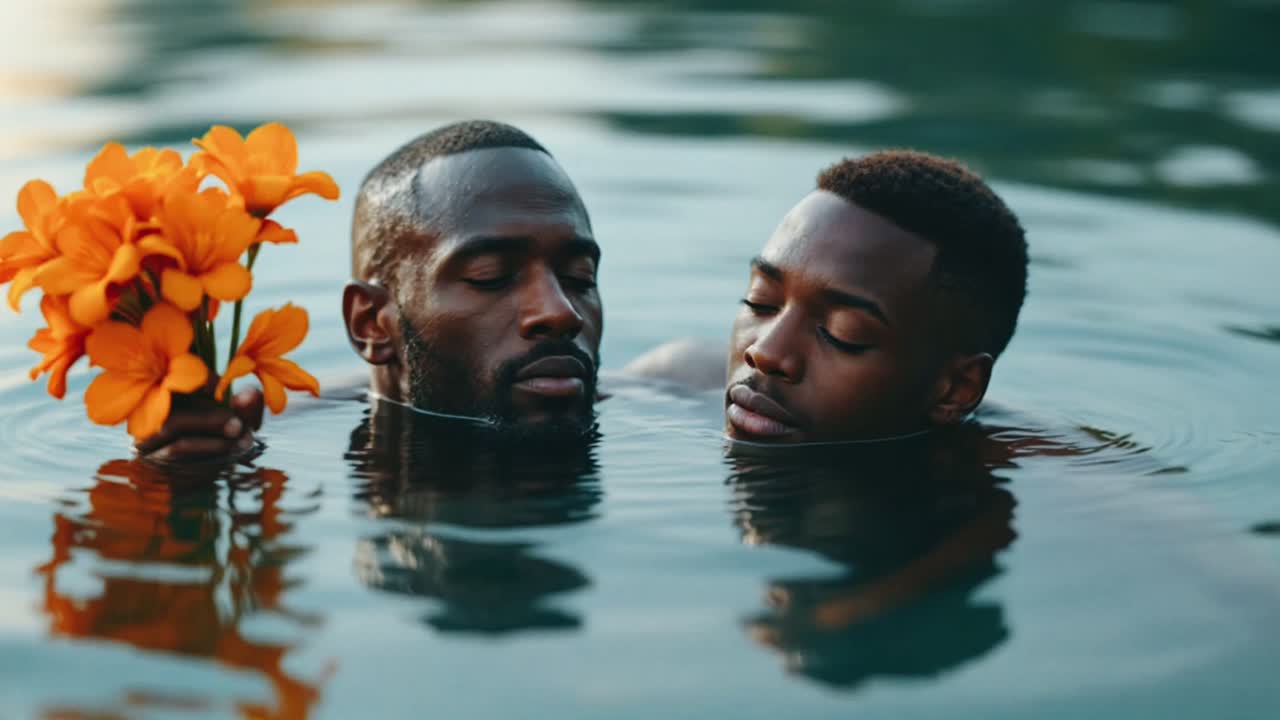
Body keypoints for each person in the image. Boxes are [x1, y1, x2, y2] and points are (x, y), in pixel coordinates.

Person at [140, 120, 602, 461]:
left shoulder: (671, 389)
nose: (561, 312)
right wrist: (175, 475)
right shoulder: (254, 440)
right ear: (371, 325)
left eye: (580, 277)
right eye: (490, 276)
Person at [627, 150, 1029, 444]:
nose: (765, 353)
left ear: (955, 390)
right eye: (760, 302)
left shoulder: (1020, 482)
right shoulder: (674, 381)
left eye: (842, 333)